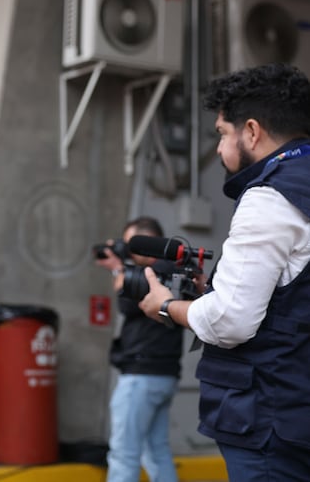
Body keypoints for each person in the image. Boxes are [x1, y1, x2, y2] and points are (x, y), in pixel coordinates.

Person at [139, 63, 310, 481]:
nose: (218, 148)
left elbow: (231, 320)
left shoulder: (269, 197)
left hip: (270, 423)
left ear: (250, 132)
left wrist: (167, 307)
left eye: (220, 132)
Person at [95, 216, 182, 482]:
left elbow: (126, 302)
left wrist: (118, 268)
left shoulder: (155, 273)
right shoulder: (175, 269)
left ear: (149, 241)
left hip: (142, 376)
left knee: (124, 454)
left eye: (132, 244)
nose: (128, 250)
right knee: (155, 451)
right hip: (163, 374)